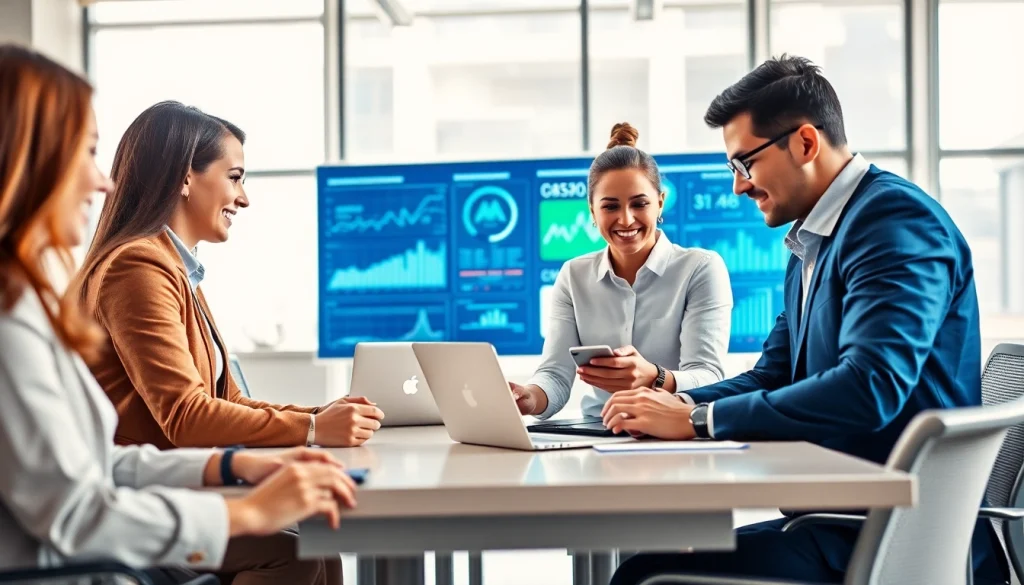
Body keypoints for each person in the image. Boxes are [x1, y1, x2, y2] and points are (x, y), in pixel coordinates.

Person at [603, 55, 1010, 585]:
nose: (738, 186)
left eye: (743, 163)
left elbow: (871, 385)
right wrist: (677, 403)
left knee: (645, 576)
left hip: (895, 540)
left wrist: (699, 422)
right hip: (841, 523)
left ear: (805, 143)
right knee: (648, 562)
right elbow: (772, 375)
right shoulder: (810, 245)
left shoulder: (895, 224)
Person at [0, 43, 356, 584]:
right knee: (298, 549)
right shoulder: (132, 266)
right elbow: (84, 500)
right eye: (85, 152)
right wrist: (258, 493)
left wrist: (239, 462)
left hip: (118, 515)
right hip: (85, 558)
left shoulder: (39, 297)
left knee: (315, 546)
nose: (103, 181)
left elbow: (103, 460)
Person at [70, 101, 384, 450]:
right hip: (154, 488)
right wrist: (312, 427)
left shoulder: (175, 266)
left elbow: (229, 401)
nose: (244, 198)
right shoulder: (138, 267)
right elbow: (186, 417)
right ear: (184, 177)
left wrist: (320, 415)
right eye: (234, 178)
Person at [511, 122, 733, 422]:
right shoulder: (573, 276)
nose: (626, 219)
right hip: (598, 430)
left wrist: (654, 377)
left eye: (639, 203)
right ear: (592, 212)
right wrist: (529, 397)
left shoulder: (700, 269)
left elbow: (709, 376)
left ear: (660, 203)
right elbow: (555, 375)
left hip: (673, 432)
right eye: (610, 207)